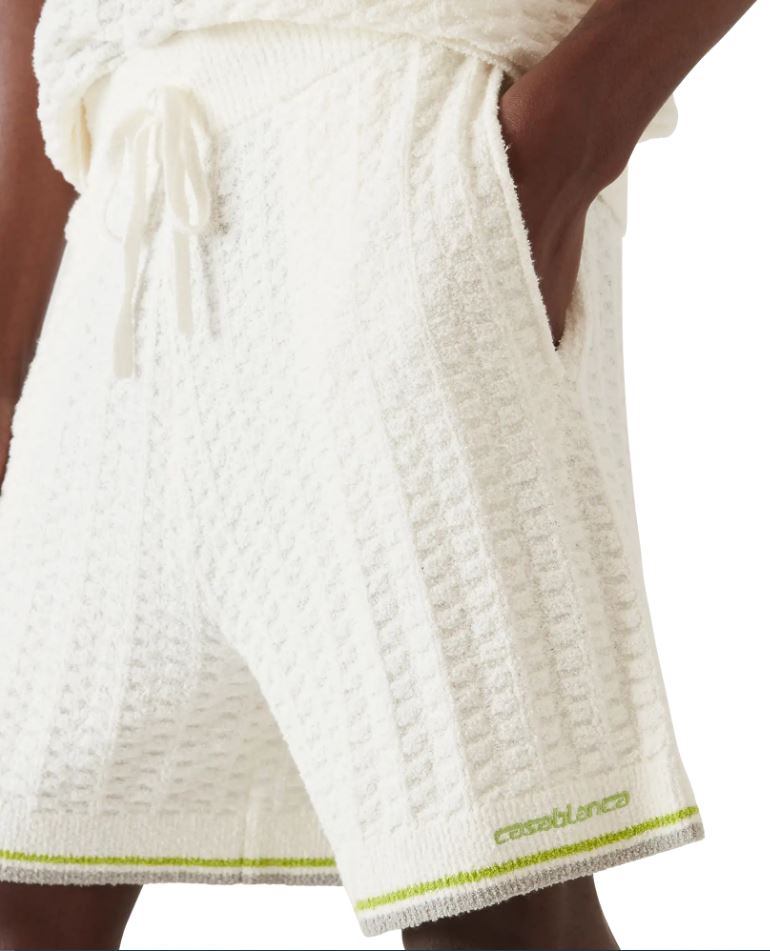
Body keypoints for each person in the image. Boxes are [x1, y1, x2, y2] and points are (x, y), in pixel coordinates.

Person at [0, 2, 756, 949]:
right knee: (26, 882)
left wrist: (565, 141)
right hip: (124, 203)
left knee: (486, 893)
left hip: (399, 110)